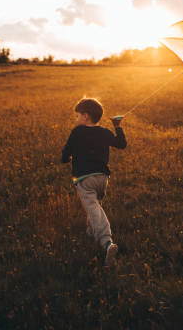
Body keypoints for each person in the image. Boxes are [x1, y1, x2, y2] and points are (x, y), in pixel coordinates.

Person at [62, 98, 127, 266]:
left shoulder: (77, 132)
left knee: (93, 208)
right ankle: (90, 232)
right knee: (95, 206)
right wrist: (117, 126)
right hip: (102, 179)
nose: (76, 120)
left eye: (77, 116)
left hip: (84, 179)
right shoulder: (105, 132)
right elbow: (121, 144)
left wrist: (64, 158)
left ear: (85, 116)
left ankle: (107, 243)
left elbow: (66, 151)